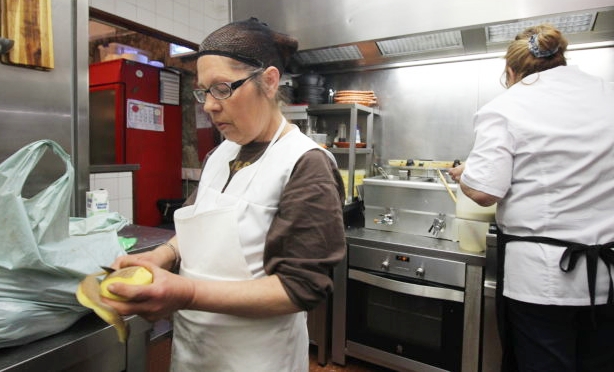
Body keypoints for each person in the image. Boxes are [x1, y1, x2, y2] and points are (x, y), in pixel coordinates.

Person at [103, 18, 347, 371]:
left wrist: (185, 293)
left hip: (257, 358)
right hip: (194, 350)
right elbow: (199, 223)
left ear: (269, 81)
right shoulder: (222, 153)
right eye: (203, 91)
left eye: (221, 88)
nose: (209, 106)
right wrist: (161, 256)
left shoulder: (305, 164)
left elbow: (301, 287)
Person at [448, 23, 614, 372]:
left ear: (510, 71)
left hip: (542, 281)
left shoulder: (509, 104)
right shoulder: (607, 92)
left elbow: (483, 191)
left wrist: (467, 176)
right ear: (561, 57)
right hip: (607, 277)